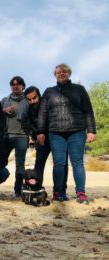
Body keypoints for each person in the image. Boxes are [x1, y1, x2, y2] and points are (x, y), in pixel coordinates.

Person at [37, 63, 96, 204]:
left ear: (69, 73)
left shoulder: (79, 89)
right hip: (56, 133)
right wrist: (40, 131)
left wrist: (92, 130)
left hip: (77, 131)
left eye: (64, 71)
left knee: (77, 163)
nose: (61, 74)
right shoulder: (49, 91)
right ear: (55, 75)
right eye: (58, 72)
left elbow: (88, 110)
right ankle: (58, 192)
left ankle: (81, 193)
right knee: (59, 163)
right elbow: (42, 113)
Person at [22, 86, 69, 200]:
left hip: (58, 138)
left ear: (40, 96)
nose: (33, 101)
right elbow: (26, 126)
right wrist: (35, 135)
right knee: (39, 165)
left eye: (35, 98)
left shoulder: (51, 106)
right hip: (41, 141)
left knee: (62, 164)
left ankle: (60, 192)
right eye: (30, 99)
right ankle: (36, 188)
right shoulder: (27, 112)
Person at [1, 76, 29, 197]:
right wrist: (3, 110)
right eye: (12, 84)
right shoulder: (4, 100)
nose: (15, 86)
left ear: (23, 86)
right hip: (6, 136)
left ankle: (18, 190)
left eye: (18, 84)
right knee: (1, 162)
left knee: (20, 164)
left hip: (22, 136)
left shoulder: (28, 100)